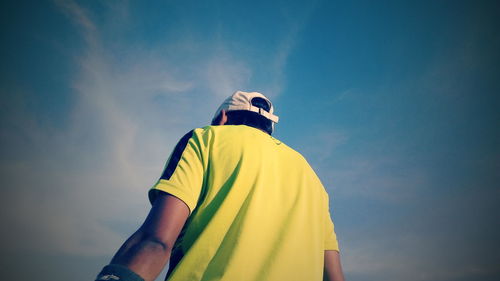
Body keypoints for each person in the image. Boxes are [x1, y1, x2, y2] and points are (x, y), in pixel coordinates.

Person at [95, 91, 345, 281]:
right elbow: (333, 275)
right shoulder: (311, 177)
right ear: (269, 129)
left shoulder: (206, 139)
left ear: (222, 118)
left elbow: (155, 241)